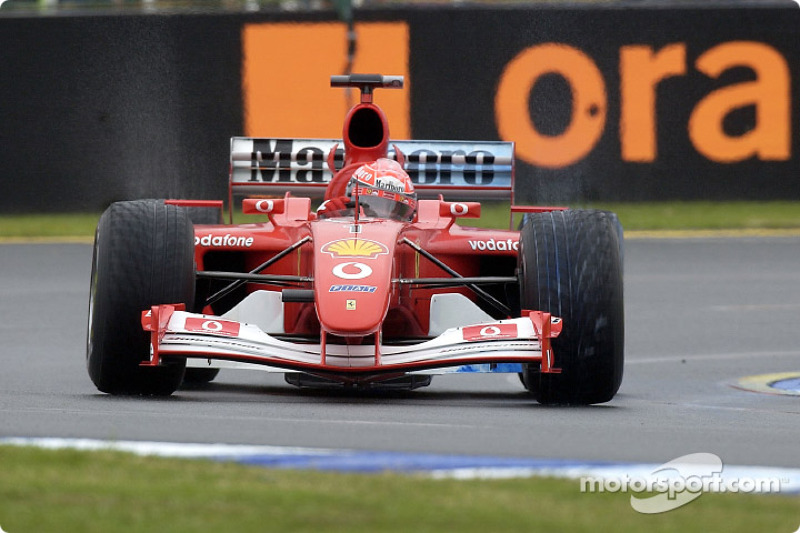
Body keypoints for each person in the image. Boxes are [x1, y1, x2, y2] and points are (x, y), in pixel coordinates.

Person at [317, 158, 417, 221]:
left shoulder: (411, 237)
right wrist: (324, 221)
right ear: (351, 202)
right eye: (375, 203)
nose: (381, 217)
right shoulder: (337, 215)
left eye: (393, 208)